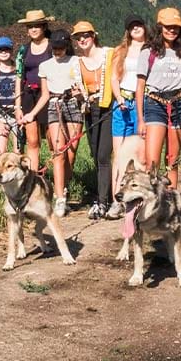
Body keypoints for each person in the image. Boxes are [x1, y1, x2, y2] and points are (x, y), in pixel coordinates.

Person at [136, 7, 181, 189]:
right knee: (151, 162)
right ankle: (149, 204)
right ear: (159, 27)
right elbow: (140, 87)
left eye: (176, 27)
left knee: (173, 160)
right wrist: (141, 119)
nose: (172, 30)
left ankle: (171, 202)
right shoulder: (148, 52)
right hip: (155, 104)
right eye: (168, 26)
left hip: (179, 105)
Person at [35, 29, 84, 217]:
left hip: (72, 103)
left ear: (66, 46)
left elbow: (81, 85)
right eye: (55, 48)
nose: (57, 51)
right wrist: (32, 114)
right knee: (58, 153)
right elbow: (45, 94)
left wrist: (79, 93)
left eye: (61, 47)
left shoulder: (75, 61)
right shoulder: (45, 66)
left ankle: (63, 188)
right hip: (54, 105)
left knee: (71, 153)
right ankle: (59, 199)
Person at [73, 21, 116, 219]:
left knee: (103, 155)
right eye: (78, 37)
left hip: (108, 107)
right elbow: (79, 89)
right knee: (95, 154)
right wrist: (78, 95)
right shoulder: (77, 62)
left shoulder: (109, 54)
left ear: (93, 36)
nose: (82, 39)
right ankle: (104, 196)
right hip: (89, 110)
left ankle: (103, 202)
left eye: (86, 35)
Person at [109, 15, 147, 200]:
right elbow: (114, 78)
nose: (136, 28)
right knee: (119, 154)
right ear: (128, 31)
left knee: (140, 154)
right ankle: (116, 196)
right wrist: (119, 98)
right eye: (132, 26)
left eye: (139, 25)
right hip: (123, 102)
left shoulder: (150, 50)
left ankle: (137, 195)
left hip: (143, 103)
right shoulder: (121, 50)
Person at [14, 10, 53, 170]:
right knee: (32, 141)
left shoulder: (52, 47)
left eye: (37, 25)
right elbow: (18, 77)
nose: (34, 29)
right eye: (30, 26)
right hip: (29, 96)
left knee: (53, 140)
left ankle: (59, 180)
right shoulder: (24, 50)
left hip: (50, 96)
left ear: (44, 26)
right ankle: (33, 177)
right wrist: (17, 106)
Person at [0, 36, 23, 155]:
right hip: (1, 116)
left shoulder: (19, 71)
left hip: (17, 115)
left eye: (6, 49)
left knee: (18, 152)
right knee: (1, 152)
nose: (3, 52)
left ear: (12, 51)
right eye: (0, 50)